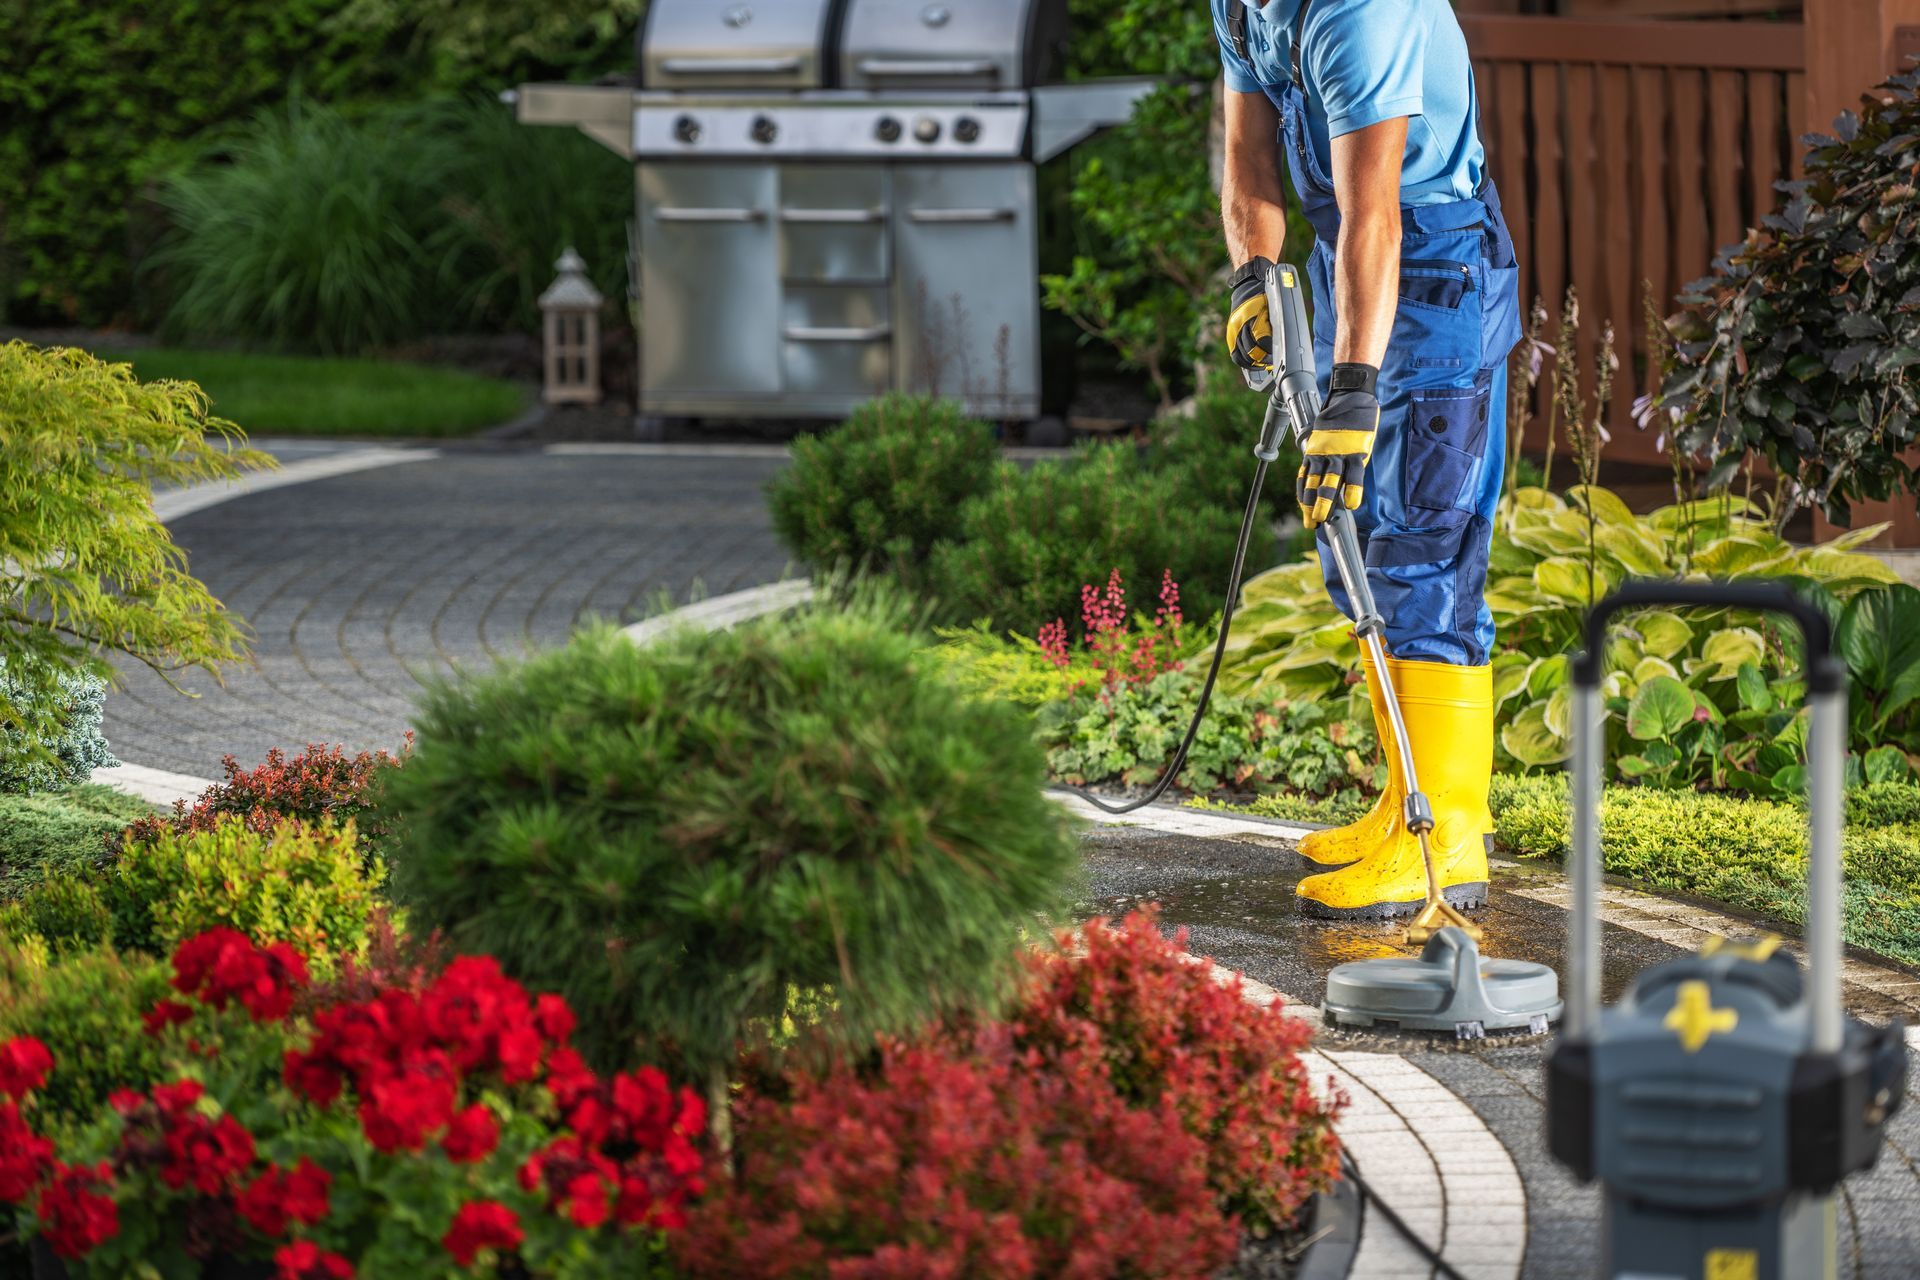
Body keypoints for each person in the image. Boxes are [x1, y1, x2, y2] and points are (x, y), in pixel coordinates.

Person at [1215, 0, 1521, 919]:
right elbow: (1248, 158)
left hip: (1424, 262)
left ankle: (1450, 840)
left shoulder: (1361, 10)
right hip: (1343, 256)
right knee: (1358, 544)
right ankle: (1405, 808)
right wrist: (1251, 277)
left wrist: (1353, 388)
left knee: (1426, 548)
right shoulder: (1246, 5)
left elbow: (1377, 213)